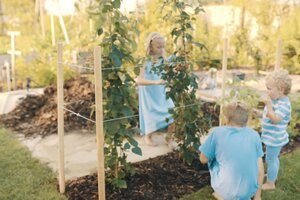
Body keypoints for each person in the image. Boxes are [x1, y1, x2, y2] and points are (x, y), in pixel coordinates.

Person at [199, 101, 264, 200]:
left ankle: (222, 194)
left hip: (226, 190)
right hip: (249, 190)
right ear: (247, 120)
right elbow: (260, 169)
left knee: (214, 158)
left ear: (226, 119)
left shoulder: (217, 134)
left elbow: (203, 159)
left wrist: (205, 142)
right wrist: (257, 196)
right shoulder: (254, 135)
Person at [253, 69, 292, 190]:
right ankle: (271, 175)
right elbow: (269, 115)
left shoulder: (284, 105)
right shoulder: (276, 101)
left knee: (271, 159)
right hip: (270, 136)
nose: (267, 91)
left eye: (269, 88)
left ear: (280, 89)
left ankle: (271, 183)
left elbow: (275, 119)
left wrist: (268, 105)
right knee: (271, 159)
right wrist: (260, 113)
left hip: (275, 138)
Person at [136, 32, 174, 146]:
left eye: (163, 46)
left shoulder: (164, 60)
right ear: (150, 46)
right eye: (158, 47)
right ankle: (148, 136)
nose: (161, 49)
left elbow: (169, 75)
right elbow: (138, 80)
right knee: (150, 115)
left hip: (161, 93)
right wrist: (155, 82)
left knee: (173, 111)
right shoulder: (144, 61)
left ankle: (169, 137)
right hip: (149, 93)